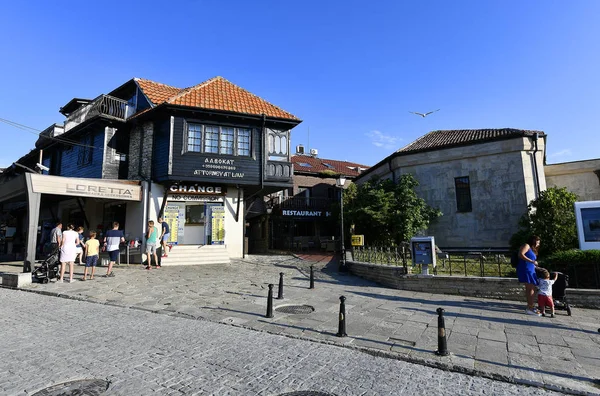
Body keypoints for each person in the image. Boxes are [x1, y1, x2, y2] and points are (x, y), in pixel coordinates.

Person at [517, 235, 541, 316]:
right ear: (533, 241)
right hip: (526, 268)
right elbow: (521, 254)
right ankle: (530, 307)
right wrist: (532, 261)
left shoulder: (532, 249)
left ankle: (530, 306)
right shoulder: (526, 246)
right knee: (531, 288)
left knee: (530, 288)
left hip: (530, 269)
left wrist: (534, 264)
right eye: (537, 242)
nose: (538, 244)